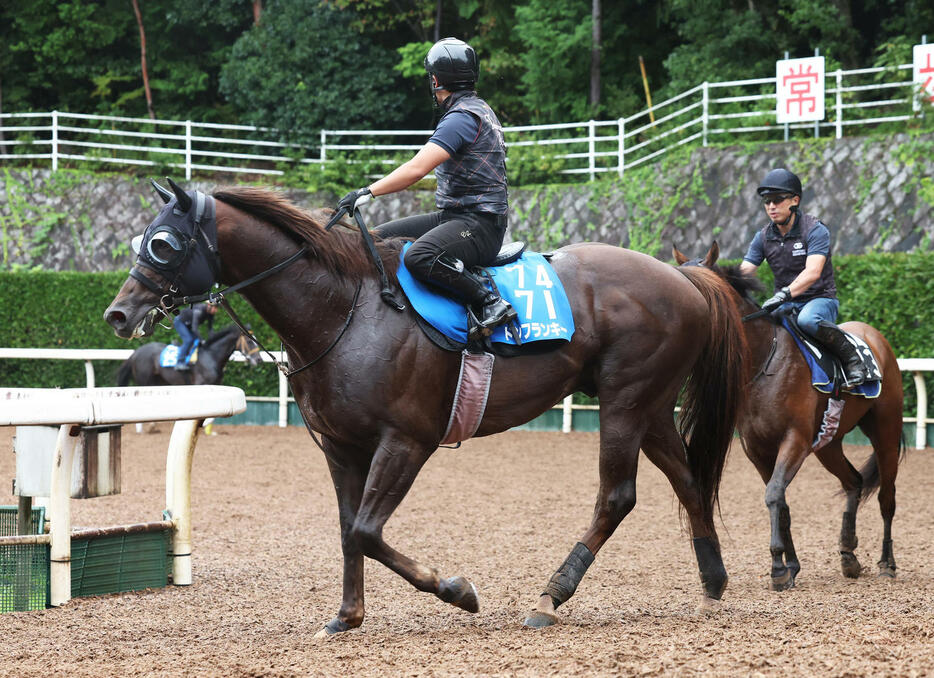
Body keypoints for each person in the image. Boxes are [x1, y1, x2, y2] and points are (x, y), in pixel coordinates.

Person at [333, 37, 516, 338]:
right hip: (455, 217)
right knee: (376, 239)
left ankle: (489, 301)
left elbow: (417, 169)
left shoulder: (461, 118)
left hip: (479, 225)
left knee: (419, 256)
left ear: (436, 79)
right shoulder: (478, 109)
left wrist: (367, 193)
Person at [739, 168, 867, 387]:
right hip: (785, 303)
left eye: (778, 200)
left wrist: (783, 294)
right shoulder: (762, 237)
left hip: (819, 300)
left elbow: (813, 272)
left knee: (807, 320)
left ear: (795, 200)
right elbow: (745, 272)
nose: (771, 206)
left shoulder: (815, 230)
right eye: (767, 201)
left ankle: (854, 362)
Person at [173, 302, 217, 371]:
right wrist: (202, 340)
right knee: (188, 340)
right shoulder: (199, 311)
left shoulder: (210, 313)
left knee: (195, 340)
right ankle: (179, 363)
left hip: (188, 324)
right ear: (209, 306)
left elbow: (210, 329)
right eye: (215, 308)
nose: (216, 310)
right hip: (180, 321)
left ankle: (187, 357)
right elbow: (194, 328)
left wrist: (212, 340)